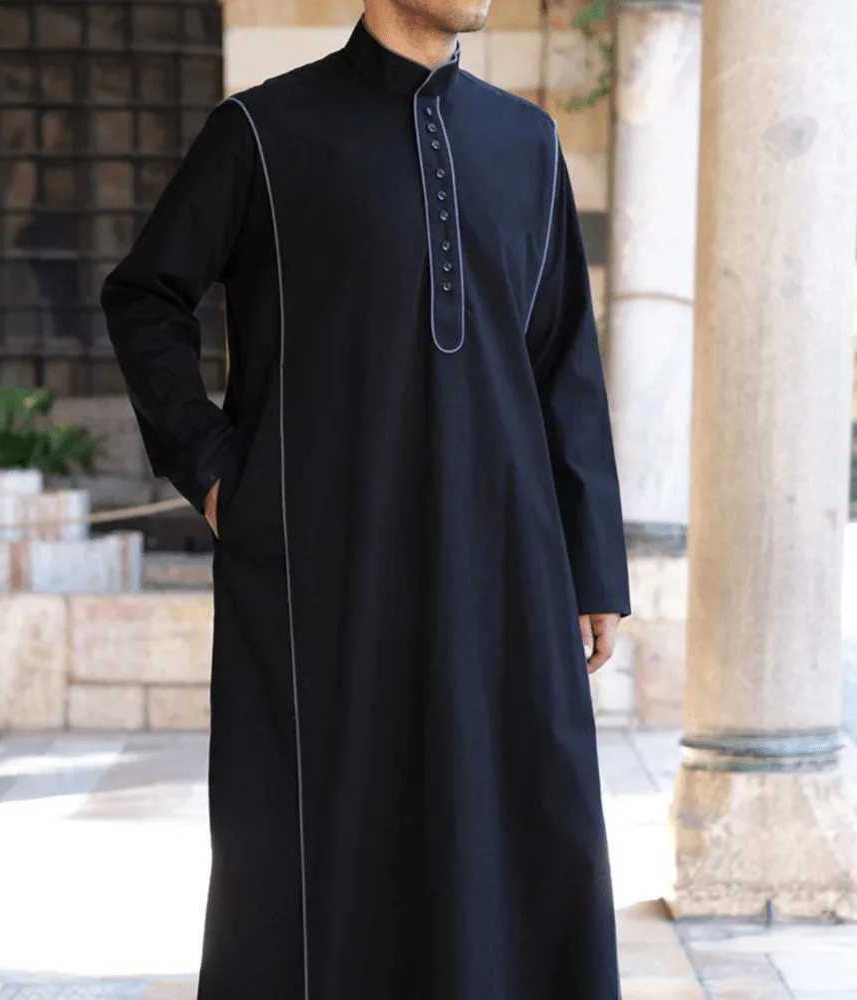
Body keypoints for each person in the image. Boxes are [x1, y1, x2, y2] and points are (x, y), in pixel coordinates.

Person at [100, 2, 632, 997]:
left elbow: (566, 363)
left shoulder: (528, 144)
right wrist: (216, 471)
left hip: (505, 569)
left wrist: (591, 561)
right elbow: (144, 298)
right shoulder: (263, 134)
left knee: (512, 828)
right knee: (321, 853)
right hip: (324, 567)